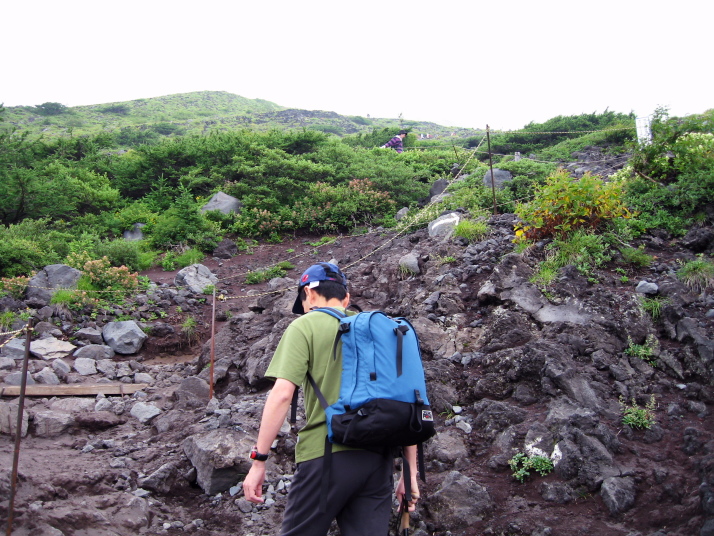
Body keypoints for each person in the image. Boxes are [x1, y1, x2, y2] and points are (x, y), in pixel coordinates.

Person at [242, 262, 419, 536]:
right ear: (346, 298)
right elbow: (405, 399)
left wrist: (259, 461)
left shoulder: (305, 326)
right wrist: (410, 474)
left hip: (325, 456)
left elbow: (282, 395)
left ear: (309, 293)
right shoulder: (380, 331)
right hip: (379, 461)